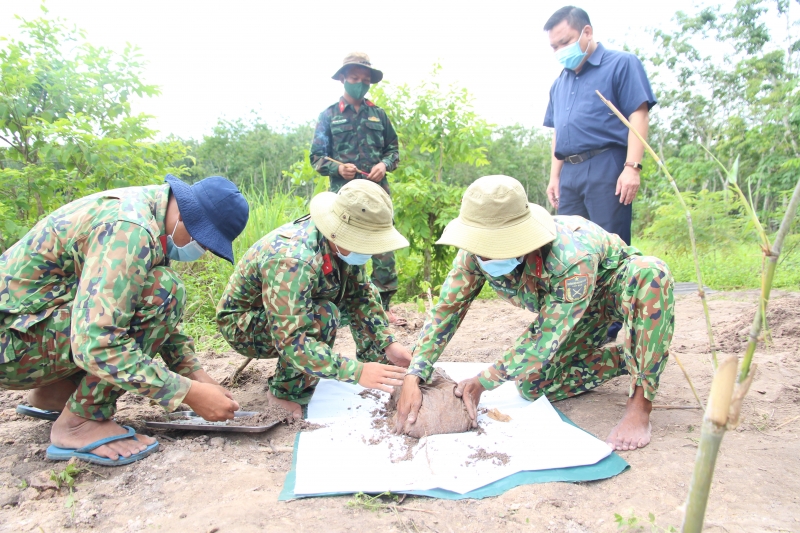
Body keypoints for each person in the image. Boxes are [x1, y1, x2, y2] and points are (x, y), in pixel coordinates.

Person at [393, 175, 674, 451]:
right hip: (572, 313)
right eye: (481, 247)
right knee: (532, 385)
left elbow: (545, 334)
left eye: (495, 248)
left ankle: (640, 401)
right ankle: (630, 356)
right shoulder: (472, 255)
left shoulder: (570, 254)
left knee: (650, 272)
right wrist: (415, 373)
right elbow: (446, 311)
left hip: (610, 293)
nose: (485, 256)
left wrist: (483, 380)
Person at [0, 175, 250, 465]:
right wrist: (188, 393)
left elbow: (132, 309)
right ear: (184, 217)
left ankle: (55, 394)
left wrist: (196, 374)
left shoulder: (147, 213)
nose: (201, 251)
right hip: (12, 346)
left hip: (24, 334)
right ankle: (81, 423)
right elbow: (97, 343)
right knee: (164, 290)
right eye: (203, 242)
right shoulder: (130, 229)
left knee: (158, 288)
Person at [216, 180, 412, 419]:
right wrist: (355, 372)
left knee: (352, 300)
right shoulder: (293, 259)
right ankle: (284, 393)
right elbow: (291, 339)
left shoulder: (340, 246)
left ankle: (379, 364)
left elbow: (362, 296)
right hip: (246, 324)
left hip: (289, 312)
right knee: (324, 315)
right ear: (341, 233)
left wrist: (387, 344)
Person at [309, 52, 404, 324]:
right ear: (342, 79)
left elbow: (393, 150)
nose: (360, 83)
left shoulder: (379, 115)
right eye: (354, 78)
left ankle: (384, 306)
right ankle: (342, 306)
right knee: (342, 247)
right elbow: (316, 157)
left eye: (365, 80)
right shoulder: (328, 116)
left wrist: (385, 165)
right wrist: (338, 168)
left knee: (382, 247)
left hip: (377, 193)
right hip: (344, 196)